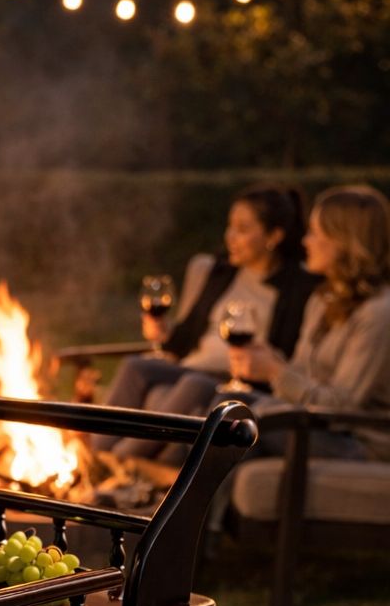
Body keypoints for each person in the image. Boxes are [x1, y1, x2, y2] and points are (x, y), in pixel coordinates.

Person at [91, 185, 318, 460]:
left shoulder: (297, 290)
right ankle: (95, 451)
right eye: (229, 227)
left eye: (242, 229)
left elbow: (285, 356)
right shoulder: (221, 273)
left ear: (274, 236)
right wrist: (165, 334)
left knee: (194, 383)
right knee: (136, 366)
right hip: (192, 367)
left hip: (234, 381)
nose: (230, 238)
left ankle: (120, 460)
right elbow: (188, 334)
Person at [223, 183, 390, 461]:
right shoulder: (322, 300)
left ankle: (179, 497)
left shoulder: (377, 313)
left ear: (344, 241)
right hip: (314, 426)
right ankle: (181, 497)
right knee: (224, 407)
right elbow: (301, 373)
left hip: (358, 441)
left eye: (314, 233)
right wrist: (270, 361)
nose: (305, 241)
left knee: (238, 419)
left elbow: (344, 409)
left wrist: (276, 372)